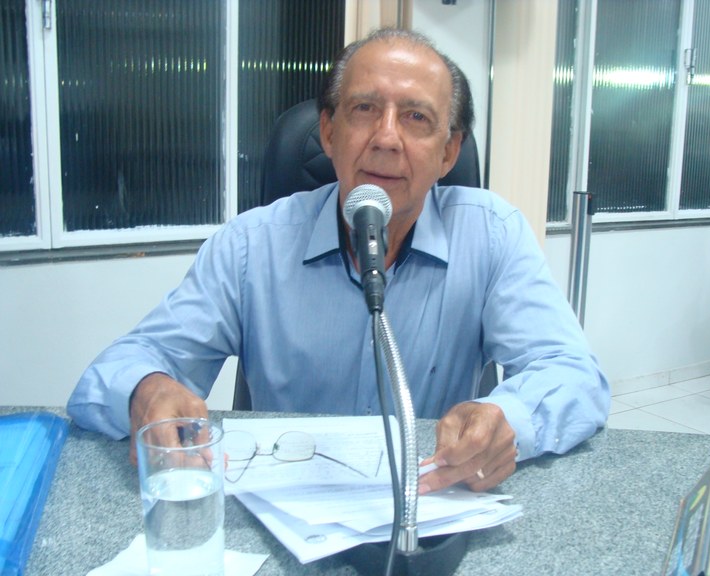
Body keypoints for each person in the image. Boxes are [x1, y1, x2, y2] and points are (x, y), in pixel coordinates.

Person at [67, 27, 610, 495]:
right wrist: (147, 389)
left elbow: (574, 375)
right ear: (329, 131)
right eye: (364, 109)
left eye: (416, 117)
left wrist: (507, 420)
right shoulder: (251, 246)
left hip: (427, 508)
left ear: (449, 152)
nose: (387, 137)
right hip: (279, 511)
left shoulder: (492, 235)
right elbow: (118, 368)